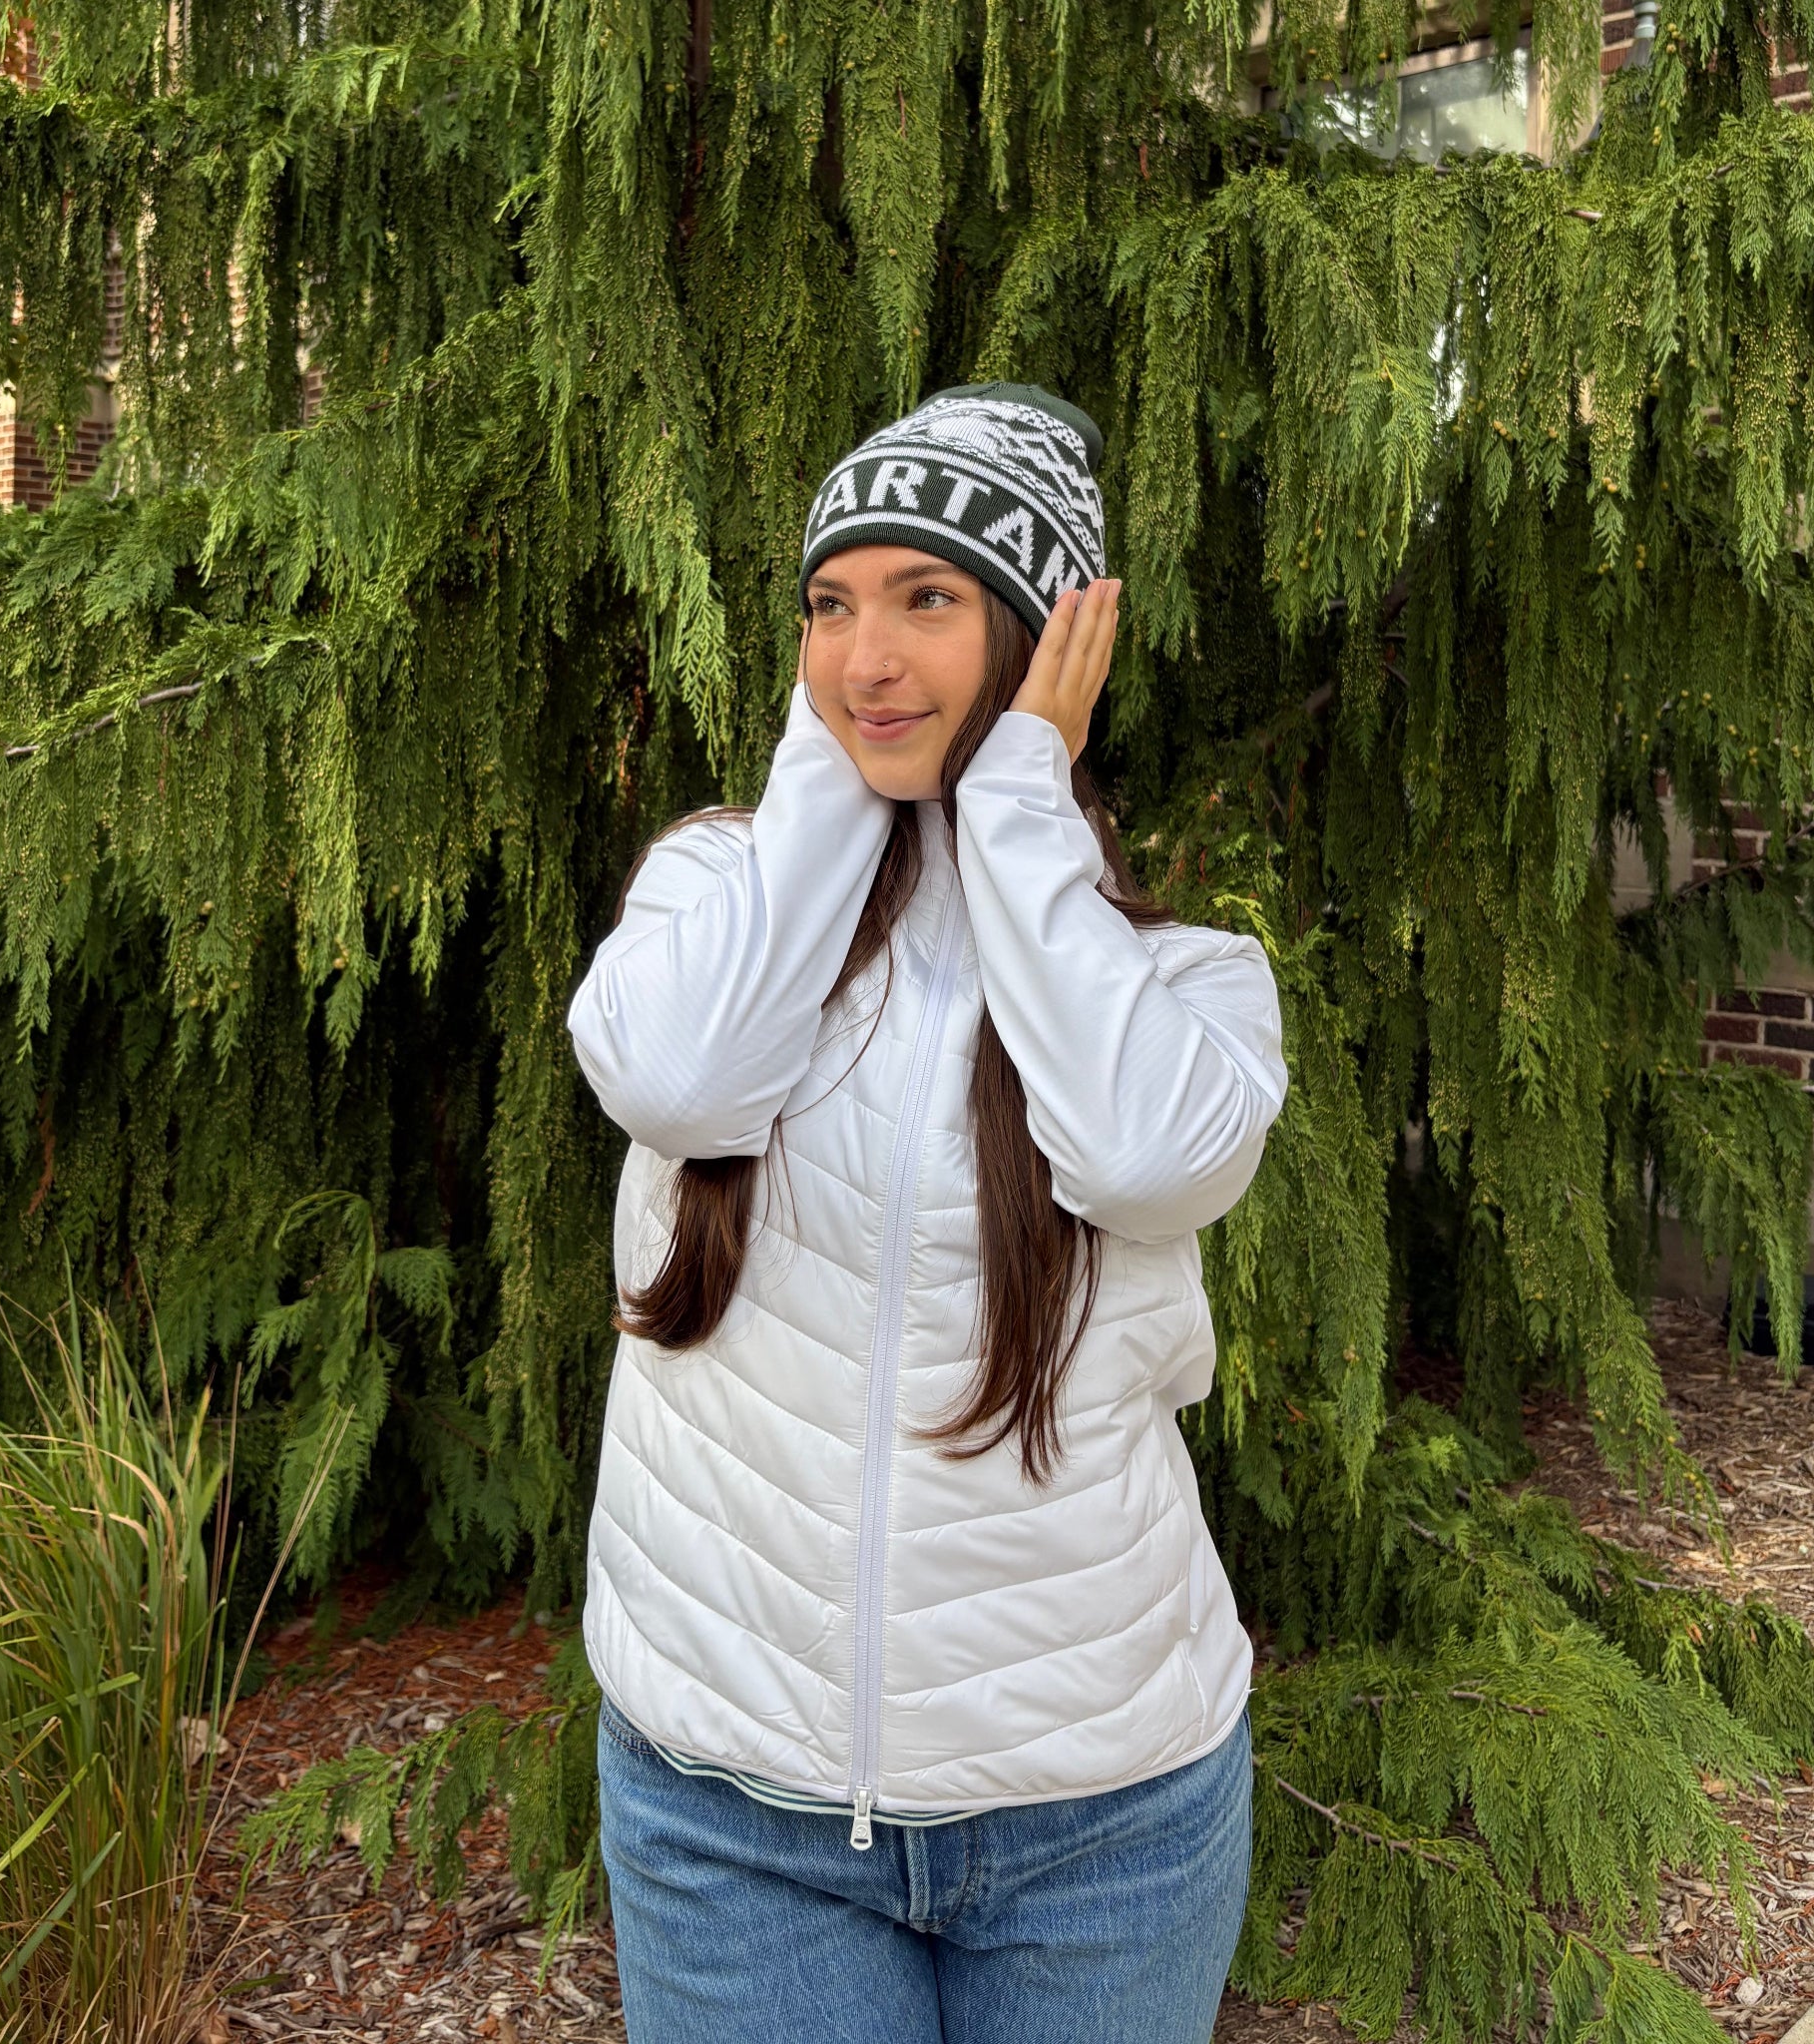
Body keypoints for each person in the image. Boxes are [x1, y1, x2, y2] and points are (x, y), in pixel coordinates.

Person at [566, 382, 1288, 2044]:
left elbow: (1146, 1157)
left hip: (1103, 1824)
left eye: (928, 600)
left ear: (1044, 638)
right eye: (831, 607)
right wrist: (831, 787)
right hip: (731, 1815)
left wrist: (1019, 798)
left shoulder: (1184, 983)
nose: (867, 657)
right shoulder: (710, 894)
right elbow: (678, 1077)